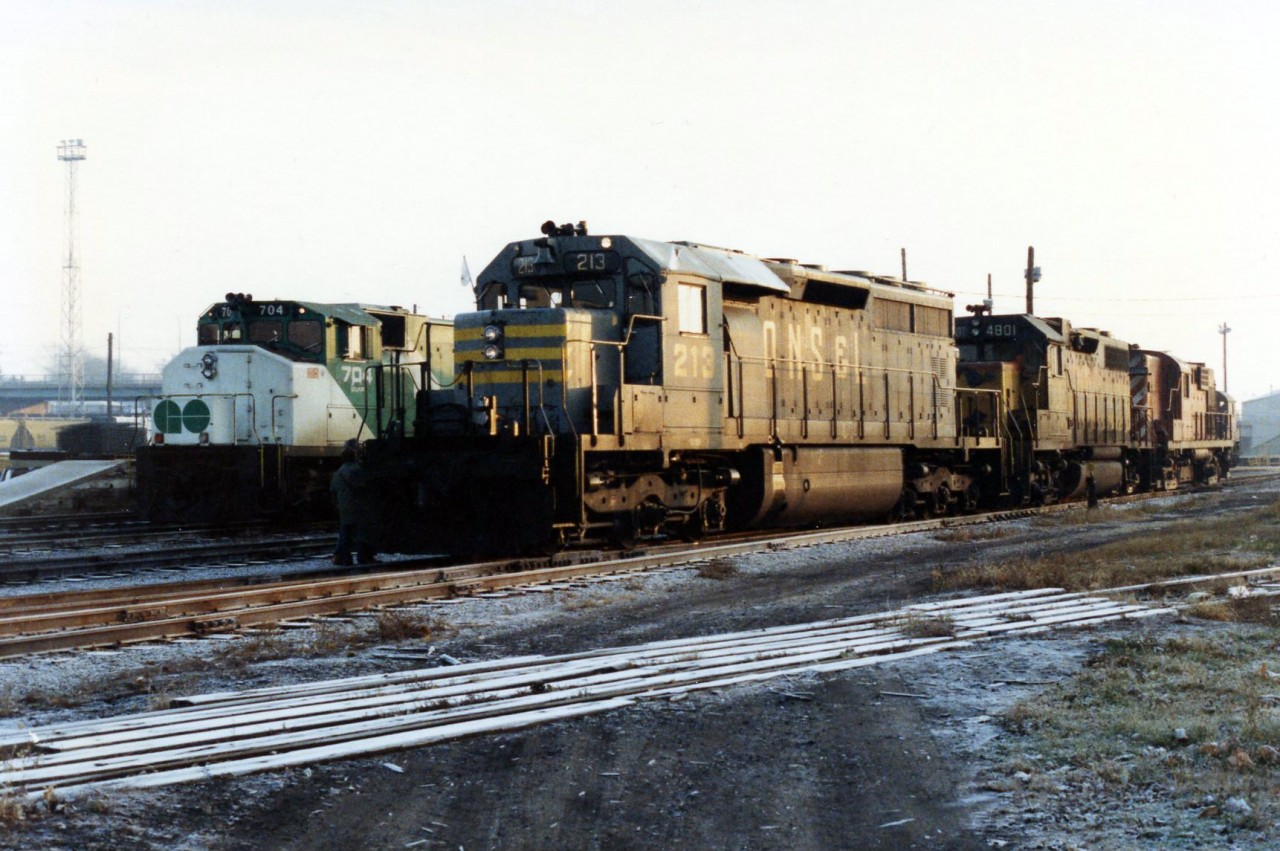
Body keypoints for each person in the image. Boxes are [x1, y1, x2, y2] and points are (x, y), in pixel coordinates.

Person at [330, 441, 377, 565]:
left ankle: (345, 559)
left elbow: (333, 491)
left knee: (346, 533)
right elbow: (361, 487)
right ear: (354, 456)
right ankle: (364, 557)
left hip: (344, 507)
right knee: (363, 532)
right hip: (358, 506)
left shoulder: (338, 472)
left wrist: (337, 505)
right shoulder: (357, 469)